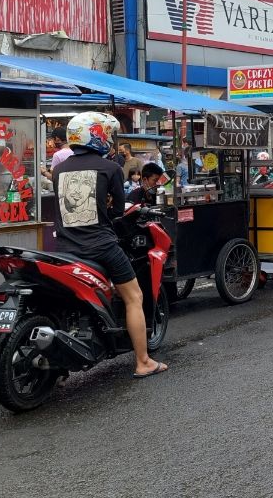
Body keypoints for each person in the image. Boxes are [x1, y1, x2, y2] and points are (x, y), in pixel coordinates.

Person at [52, 112, 167, 378]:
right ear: (97, 135)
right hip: (101, 246)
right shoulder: (110, 168)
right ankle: (143, 362)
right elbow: (117, 211)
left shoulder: (59, 170)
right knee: (134, 297)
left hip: (66, 248)